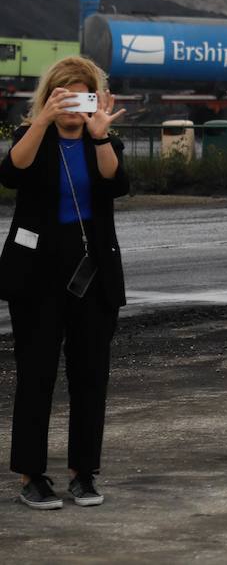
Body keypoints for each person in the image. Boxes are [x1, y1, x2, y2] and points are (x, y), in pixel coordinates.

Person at [1, 56, 129, 510]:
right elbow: (12, 172)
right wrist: (42, 121)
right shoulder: (31, 137)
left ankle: (83, 473)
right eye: (65, 95)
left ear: (96, 98)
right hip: (36, 278)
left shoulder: (101, 141)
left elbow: (116, 184)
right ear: (50, 96)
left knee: (90, 376)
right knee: (36, 376)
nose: (74, 104)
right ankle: (31, 476)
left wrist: (101, 136)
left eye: (83, 95)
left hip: (92, 276)